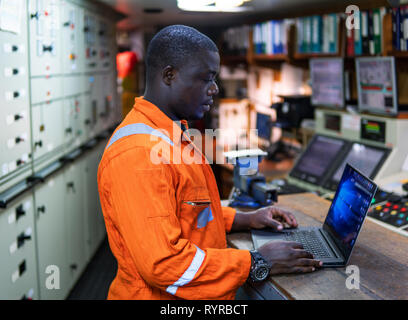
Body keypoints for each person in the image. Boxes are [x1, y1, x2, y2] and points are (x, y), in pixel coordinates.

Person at [97, 25, 322, 300]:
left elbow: (188, 210)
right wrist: (257, 262)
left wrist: (244, 219)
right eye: (206, 78)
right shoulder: (138, 154)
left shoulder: (170, 132)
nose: (214, 89)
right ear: (170, 75)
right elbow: (165, 265)